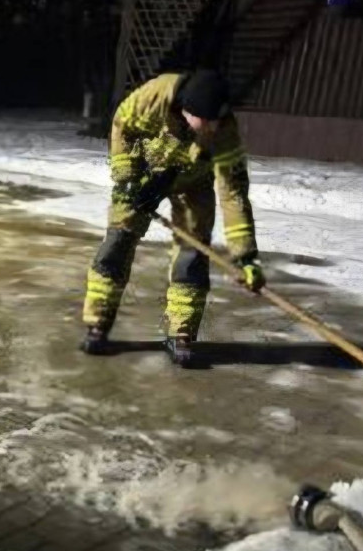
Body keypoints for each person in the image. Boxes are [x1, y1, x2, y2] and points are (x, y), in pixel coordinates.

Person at [81, 70, 265, 368]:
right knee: (118, 243)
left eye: (218, 119)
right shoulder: (153, 97)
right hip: (143, 175)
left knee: (192, 255)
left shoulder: (224, 130)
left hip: (194, 182)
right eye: (207, 121)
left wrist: (245, 257)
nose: (214, 127)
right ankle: (97, 323)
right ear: (186, 110)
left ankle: (180, 335)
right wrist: (127, 179)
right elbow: (121, 126)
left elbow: (234, 194)